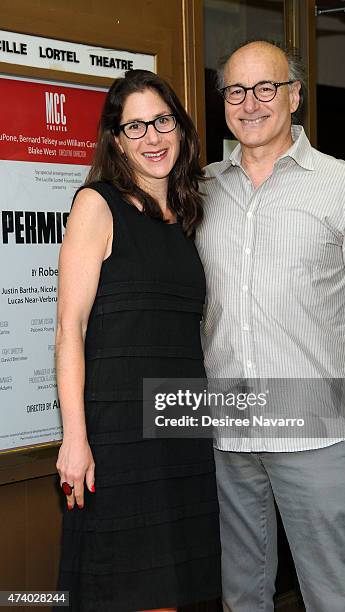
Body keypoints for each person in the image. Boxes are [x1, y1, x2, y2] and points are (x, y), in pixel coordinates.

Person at [196, 41, 345, 612]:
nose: (250, 102)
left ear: (294, 95)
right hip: (228, 432)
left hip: (317, 434)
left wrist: (325, 366)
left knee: (331, 593)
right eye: (236, 90)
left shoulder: (343, 187)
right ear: (224, 101)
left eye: (266, 88)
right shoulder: (204, 190)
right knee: (241, 593)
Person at [55, 69, 221, 612]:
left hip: (180, 427)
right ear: (116, 139)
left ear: (180, 127)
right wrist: (75, 440)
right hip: (121, 434)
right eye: (135, 127)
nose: (153, 137)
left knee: (176, 592)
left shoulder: (186, 215)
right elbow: (69, 330)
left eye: (162, 121)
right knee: (131, 590)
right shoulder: (96, 206)